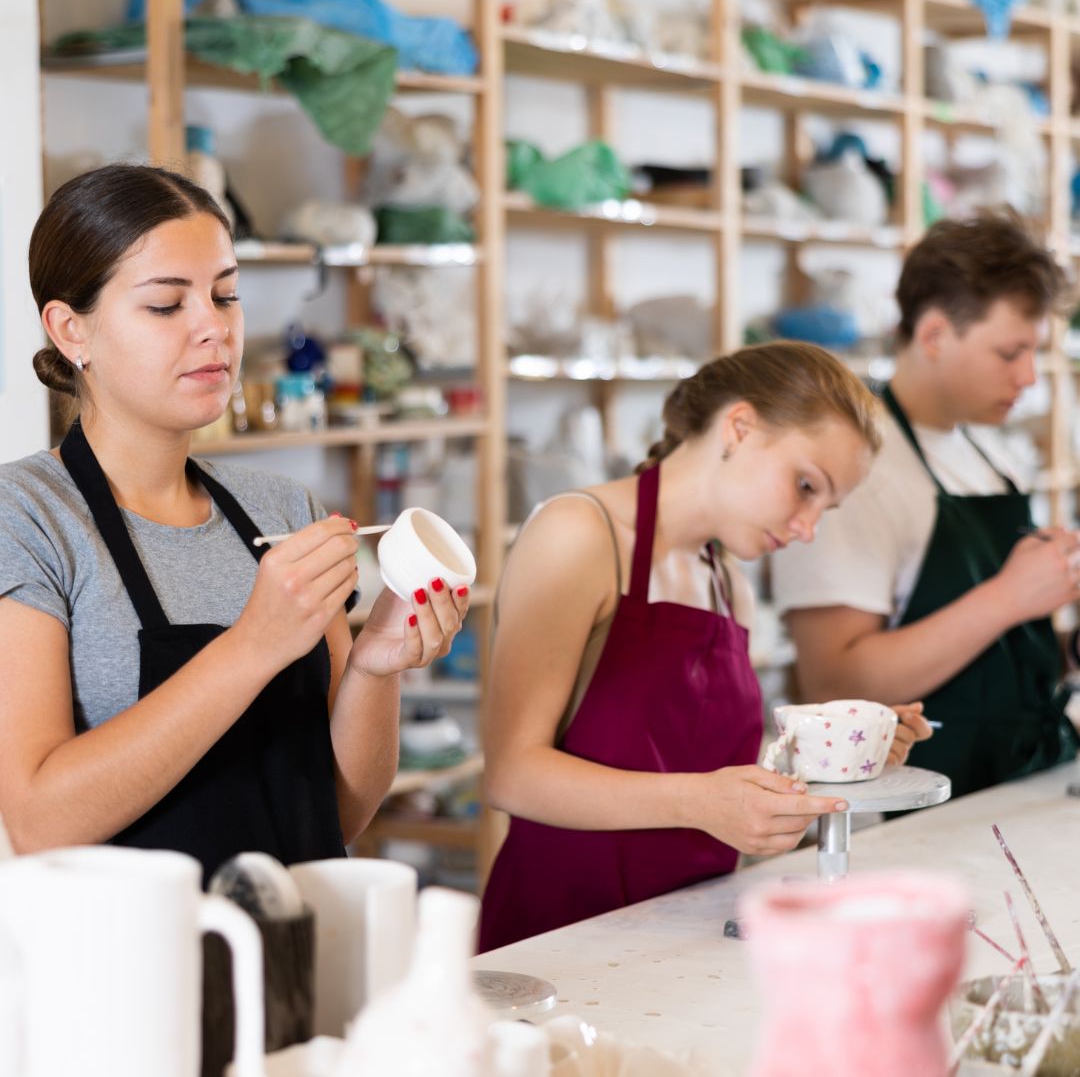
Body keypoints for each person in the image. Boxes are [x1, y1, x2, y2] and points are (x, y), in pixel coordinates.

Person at [0, 164, 469, 882]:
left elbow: (337, 813)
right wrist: (254, 645)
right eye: (166, 306)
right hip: (133, 974)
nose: (213, 328)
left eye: (225, 296)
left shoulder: (284, 512)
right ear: (71, 330)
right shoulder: (28, 517)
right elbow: (40, 821)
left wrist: (375, 666)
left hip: (296, 956)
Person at [478, 342, 932, 952]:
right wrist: (702, 802)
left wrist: (847, 755)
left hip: (688, 931)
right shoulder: (579, 535)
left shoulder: (727, 584)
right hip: (562, 939)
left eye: (826, 507)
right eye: (805, 486)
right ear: (739, 428)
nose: (808, 529)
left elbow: (701, 773)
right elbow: (511, 774)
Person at [772, 209, 1080, 800]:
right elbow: (833, 680)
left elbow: (999, 661)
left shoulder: (985, 453)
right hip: (920, 808)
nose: (1029, 377)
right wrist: (1009, 597)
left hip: (1024, 781)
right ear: (935, 335)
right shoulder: (855, 467)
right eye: (1010, 353)